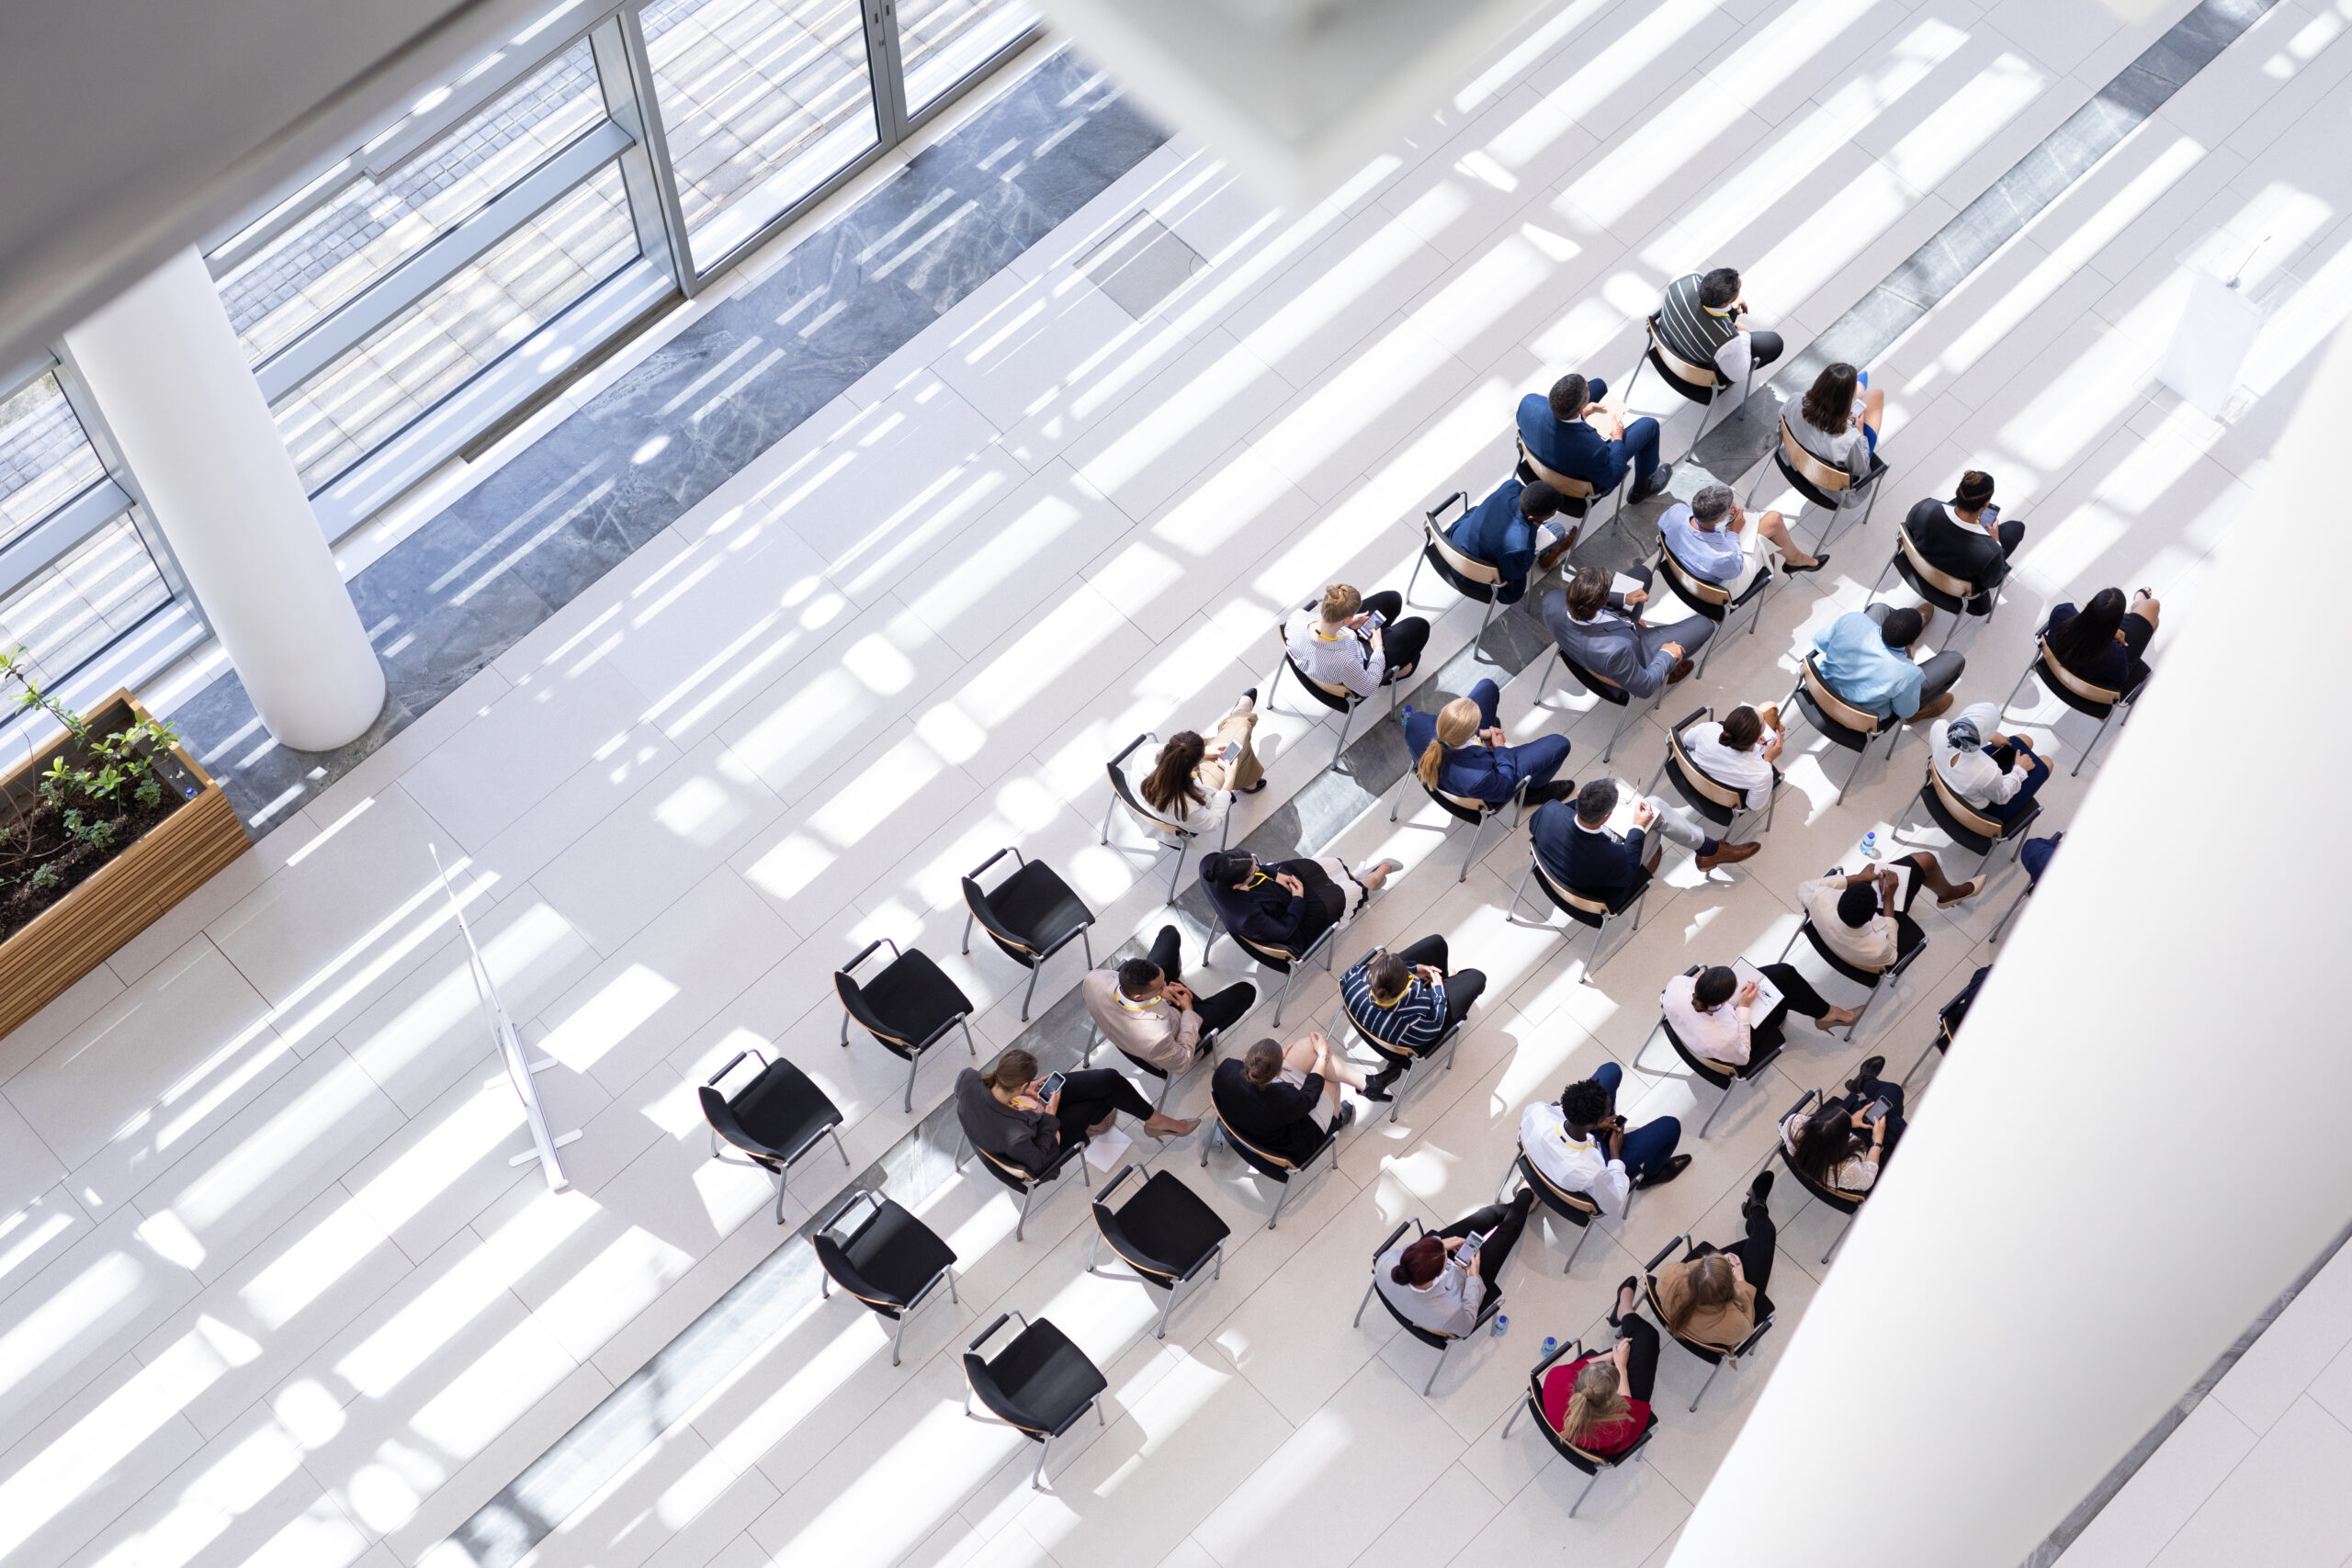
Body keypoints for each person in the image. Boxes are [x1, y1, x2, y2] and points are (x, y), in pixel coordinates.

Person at [956, 1048, 1196, 1177]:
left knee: (1108, 1079)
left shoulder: (968, 1078)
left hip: (1024, 1113)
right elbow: (1038, 1160)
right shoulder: (1015, 1135)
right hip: (1044, 1140)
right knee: (1105, 1097)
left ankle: (1152, 1120)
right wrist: (1049, 1114)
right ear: (1017, 1085)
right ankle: (1150, 1122)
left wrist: (1025, 1095)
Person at [1081, 925, 1257, 1075]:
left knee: (1169, 933)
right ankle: (1206, 1037)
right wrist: (1188, 1010)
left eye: (1164, 981)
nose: (1165, 986)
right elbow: (1182, 1063)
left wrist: (1161, 991)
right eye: (1160, 987)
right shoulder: (1157, 1038)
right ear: (1138, 996)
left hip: (1131, 1014)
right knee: (1246, 992)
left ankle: (1161, 981)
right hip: (1178, 1028)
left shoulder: (1094, 979)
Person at [1532, 777, 1758, 893]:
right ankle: (1709, 851)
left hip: (1561, 867)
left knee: (1652, 808)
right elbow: (1629, 874)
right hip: (1595, 881)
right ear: (1606, 817)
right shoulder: (1612, 858)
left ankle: (1708, 850)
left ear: (1579, 794)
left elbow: (1534, 826)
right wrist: (1638, 827)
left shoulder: (1548, 810)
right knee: (1655, 810)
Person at [1519, 1064, 1690, 1213]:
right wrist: (1615, 1154)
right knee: (1671, 1126)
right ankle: (1652, 1175)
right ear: (1594, 1123)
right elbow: (1613, 1205)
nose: (1611, 1112)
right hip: (1600, 1159)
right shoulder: (1592, 1172)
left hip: (1568, 1144)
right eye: (1607, 1112)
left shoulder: (1536, 1111)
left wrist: (1594, 1125)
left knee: (1611, 1070)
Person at [1374, 1188, 1539, 1337]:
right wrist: (1473, 1277)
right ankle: (1526, 1195)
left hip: (1431, 1274)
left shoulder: (1385, 1262)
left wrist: (1441, 1244)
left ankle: (1523, 1200)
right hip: (1467, 1283)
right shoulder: (1448, 1312)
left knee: (1486, 1215)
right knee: (1509, 1230)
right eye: (1445, 1258)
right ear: (1438, 1275)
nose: (1446, 1252)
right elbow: (1466, 1326)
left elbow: (1409, 1249)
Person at [1339, 937, 1486, 1100]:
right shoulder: (1411, 1019)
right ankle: (1448, 980)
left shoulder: (1352, 978)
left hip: (1364, 1020)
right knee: (1478, 978)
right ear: (1406, 985)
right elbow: (1436, 1024)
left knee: (1436, 944)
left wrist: (1415, 968)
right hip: (1401, 1043)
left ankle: (1447, 979)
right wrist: (1438, 990)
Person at [1401, 677, 1576, 807]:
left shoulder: (1416, 722)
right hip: (1486, 775)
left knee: (1487, 686)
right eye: (1476, 725)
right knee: (1560, 744)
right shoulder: (1479, 778)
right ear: (1469, 733)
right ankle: (1532, 793)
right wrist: (1500, 749)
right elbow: (1505, 787)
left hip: (1457, 763)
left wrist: (1481, 733)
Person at [1542, 565, 1712, 697]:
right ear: (1599, 602)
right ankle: (1670, 671)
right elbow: (1644, 689)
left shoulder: (1552, 600)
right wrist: (1665, 656)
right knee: (1705, 624)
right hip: (1637, 650)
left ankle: (1632, 619)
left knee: (1642, 572)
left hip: (1603, 632)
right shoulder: (1617, 652)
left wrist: (1623, 598)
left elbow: (1582, 600)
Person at [1129, 688, 1266, 846]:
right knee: (1239, 737)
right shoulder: (1188, 806)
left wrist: (1204, 751)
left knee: (1230, 747)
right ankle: (1240, 715)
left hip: (1144, 806)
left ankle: (1250, 779)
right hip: (1179, 822)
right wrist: (1229, 780)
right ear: (1194, 766)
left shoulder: (1145, 754)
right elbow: (1213, 822)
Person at [1654, 1172, 1777, 1346]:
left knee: (1759, 1241)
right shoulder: (1734, 1324)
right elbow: (1748, 1324)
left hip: (1695, 1313)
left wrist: (1713, 1269)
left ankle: (1757, 1211)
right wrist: (1741, 1281)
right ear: (1729, 1292)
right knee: (1764, 1237)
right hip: (1727, 1316)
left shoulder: (1668, 1276)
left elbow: (1690, 1267)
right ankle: (1756, 1210)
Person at [1795, 856, 1980, 971]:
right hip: (1861, 950)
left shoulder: (1819, 898)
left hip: (1824, 934)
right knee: (1925, 861)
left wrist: (1859, 878)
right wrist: (1889, 899)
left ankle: (1946, 893)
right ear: (1872, 916)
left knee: (1896, 870)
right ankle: (1949, 894)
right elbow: (1892, 954)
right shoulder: (1877, 948)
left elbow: (1802, 888)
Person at [1200, 850, 1399, 954]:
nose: (1258, 867)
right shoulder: (1247, 918)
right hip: (1294, 922)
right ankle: (1375, 876)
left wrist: (1272, 873)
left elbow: (1258, 868)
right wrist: (1298, 898)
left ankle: (1356, 879)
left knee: (1328, 865)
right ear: (1237, 886)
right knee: (1348, 893)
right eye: (1253, 871)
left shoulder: (1211, 863)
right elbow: (1285, 931)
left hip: (1272, 891)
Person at [1661, 963, 1861, 1066]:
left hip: (1696, 1028)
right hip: (1731, 1044)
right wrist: (1744, 1007)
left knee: (1783, 974)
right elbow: (1743, 1056)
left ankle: (1826, 1013)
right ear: (1724, 1001)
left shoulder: (1676, 984)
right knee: (1780, 994)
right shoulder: (1726, 1036)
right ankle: (1829, 1015)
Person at [1518, 371, 1670, 506]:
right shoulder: (1593, 449)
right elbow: (1613, 476)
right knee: (1649, 425)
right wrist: (1617, 439)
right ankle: (1642, 488)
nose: (1589, 390)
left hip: (1539, 459)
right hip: (1578, 483)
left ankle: (1578, 413)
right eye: (1587, 391)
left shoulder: (1528, 403)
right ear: (1579, 408)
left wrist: (1582, 416)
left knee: (1598, 385)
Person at [1543, 1283, 1662, 1455]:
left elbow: (1580, 1366)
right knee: (1646, 1339)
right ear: (1613, 1396)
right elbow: (1630, 1408)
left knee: (1635, 1345)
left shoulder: (1556, 1377)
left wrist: (1610, 1357)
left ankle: (1624, 1311)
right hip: (1609, 1440)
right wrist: (1621, 1367)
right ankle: (1625, 1311)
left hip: (1565, 1425)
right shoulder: (1617, 1426)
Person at [1211, 1033, 1362, 1159]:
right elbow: (1310, 1098)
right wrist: (1322, 1056)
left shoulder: (1226, 1068)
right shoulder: (1286, 1100)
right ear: (1278, 1074)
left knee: (1308, 1048)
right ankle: (1336, 1120)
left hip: (1246, 1121)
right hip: (1288, 1144)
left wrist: (1267, 1065)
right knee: (1330, 1080)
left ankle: (1364, 1083)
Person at [1657, 484, 1825, 596]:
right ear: (1717, 520)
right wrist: (1733, 532)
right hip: (1721, 585)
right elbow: (1735, 568)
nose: (1735, 507)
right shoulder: (1722, 556)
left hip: (1683, 568)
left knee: (1769, 526)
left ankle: (1793, 559)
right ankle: (1795, 560)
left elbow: (1663, 528)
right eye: (1731, 507)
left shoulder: (1676, 511)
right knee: (1773, 520)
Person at [1811, 603, 1963, 724]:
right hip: (1861, 718)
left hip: (1822, 691)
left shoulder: (1852, 620)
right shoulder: (1907, 673)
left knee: (1879, 608)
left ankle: (1908, 626)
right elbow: (1905, 712)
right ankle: (1924, 709)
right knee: (1956, 660)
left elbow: (1819, 641)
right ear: (1912, 642)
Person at [1780, 1055, 1907, 1195]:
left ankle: (1865, 1081)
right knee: (1891, 1100)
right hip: (1863, 1157)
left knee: (1887, 1101)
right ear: (1844, 1139)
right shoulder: (1849, 1170)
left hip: (1824, 1157)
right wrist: (1877, 1140)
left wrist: (1850, 1121)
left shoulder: (1794, 1124)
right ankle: (1865, 1081)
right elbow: (1867, 1181)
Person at [1905, 470, 2025, 614]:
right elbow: (1993, 582)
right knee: (2015, 528)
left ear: (1957, 492)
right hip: (1957, 595)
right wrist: (1996, 542)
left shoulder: (1924, 508)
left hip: (1914, 569)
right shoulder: (1991, 553)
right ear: (1986, 504)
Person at [1284, 584, 1430, 698]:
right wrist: (1378, 647)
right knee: (1419, 627)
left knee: (1392, 599)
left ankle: (1386, 642)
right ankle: (1393, 673)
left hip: (1345, 637)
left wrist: (1348, 623)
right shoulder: (1343, 662)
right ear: (1345, 618)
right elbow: (1368, 688)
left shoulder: (1297, 617)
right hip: (1361, 663)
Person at [1655, 266, 1783, 394]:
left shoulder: (1685, 277)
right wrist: (1743, 333)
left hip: (1666, 345)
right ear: (1727, 301)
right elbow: (1738, 375)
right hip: (1694, 374)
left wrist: (1730, 305)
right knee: (1774, 342)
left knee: (1731, 315)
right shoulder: (1726, 341)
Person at [1445, 477, 1570, 604]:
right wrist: (1533, 527)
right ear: (1531, 517)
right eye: (1553, 512)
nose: (1555, 512)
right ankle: (1547, 555)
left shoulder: (1511, 486)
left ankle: (1547, 555)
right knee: (1558, 530)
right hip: (1472, 576)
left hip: (1452, 545)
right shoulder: (1519, 547)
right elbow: (1516, 573)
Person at [1929, 701, 2052, 820]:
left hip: (1948, 781)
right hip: (1980, 812)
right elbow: (2002, 797)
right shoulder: (1989, 773)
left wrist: (1988, 736)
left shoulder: (1939, 726)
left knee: (2024, 740)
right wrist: (2020, 770)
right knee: (2046, 762)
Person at [2045, 587, 2158, 696]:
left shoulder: (2062, 612)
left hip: (2055, 671)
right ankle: (2137, 603)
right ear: (2118, 625)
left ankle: (2136, 604)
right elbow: (2121, 679)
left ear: (2089, 604)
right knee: (2153, 610)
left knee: (2150, 610)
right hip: (2092, 693)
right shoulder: (2116, 655)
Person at [1787, 361, 1883, 483]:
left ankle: (1857, 390)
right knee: (1877, 394)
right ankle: (1857, 390)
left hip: (1793, 459)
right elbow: (1861, 468)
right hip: (1825, 486)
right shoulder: (1850, 440)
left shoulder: (1795, 400)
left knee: (1867, 392)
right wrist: (1859, 431)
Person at [1680, 703, 1782, 811]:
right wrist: (1768, 760)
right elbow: (1754, 805)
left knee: (1771, 708)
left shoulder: (1708, 729)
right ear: (1757, 736)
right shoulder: (1762, 774)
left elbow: (1687, 740)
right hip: (1722, 804)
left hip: (1690, 775)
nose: (1762, 713)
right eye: (1764, 720)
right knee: (1773, 710)